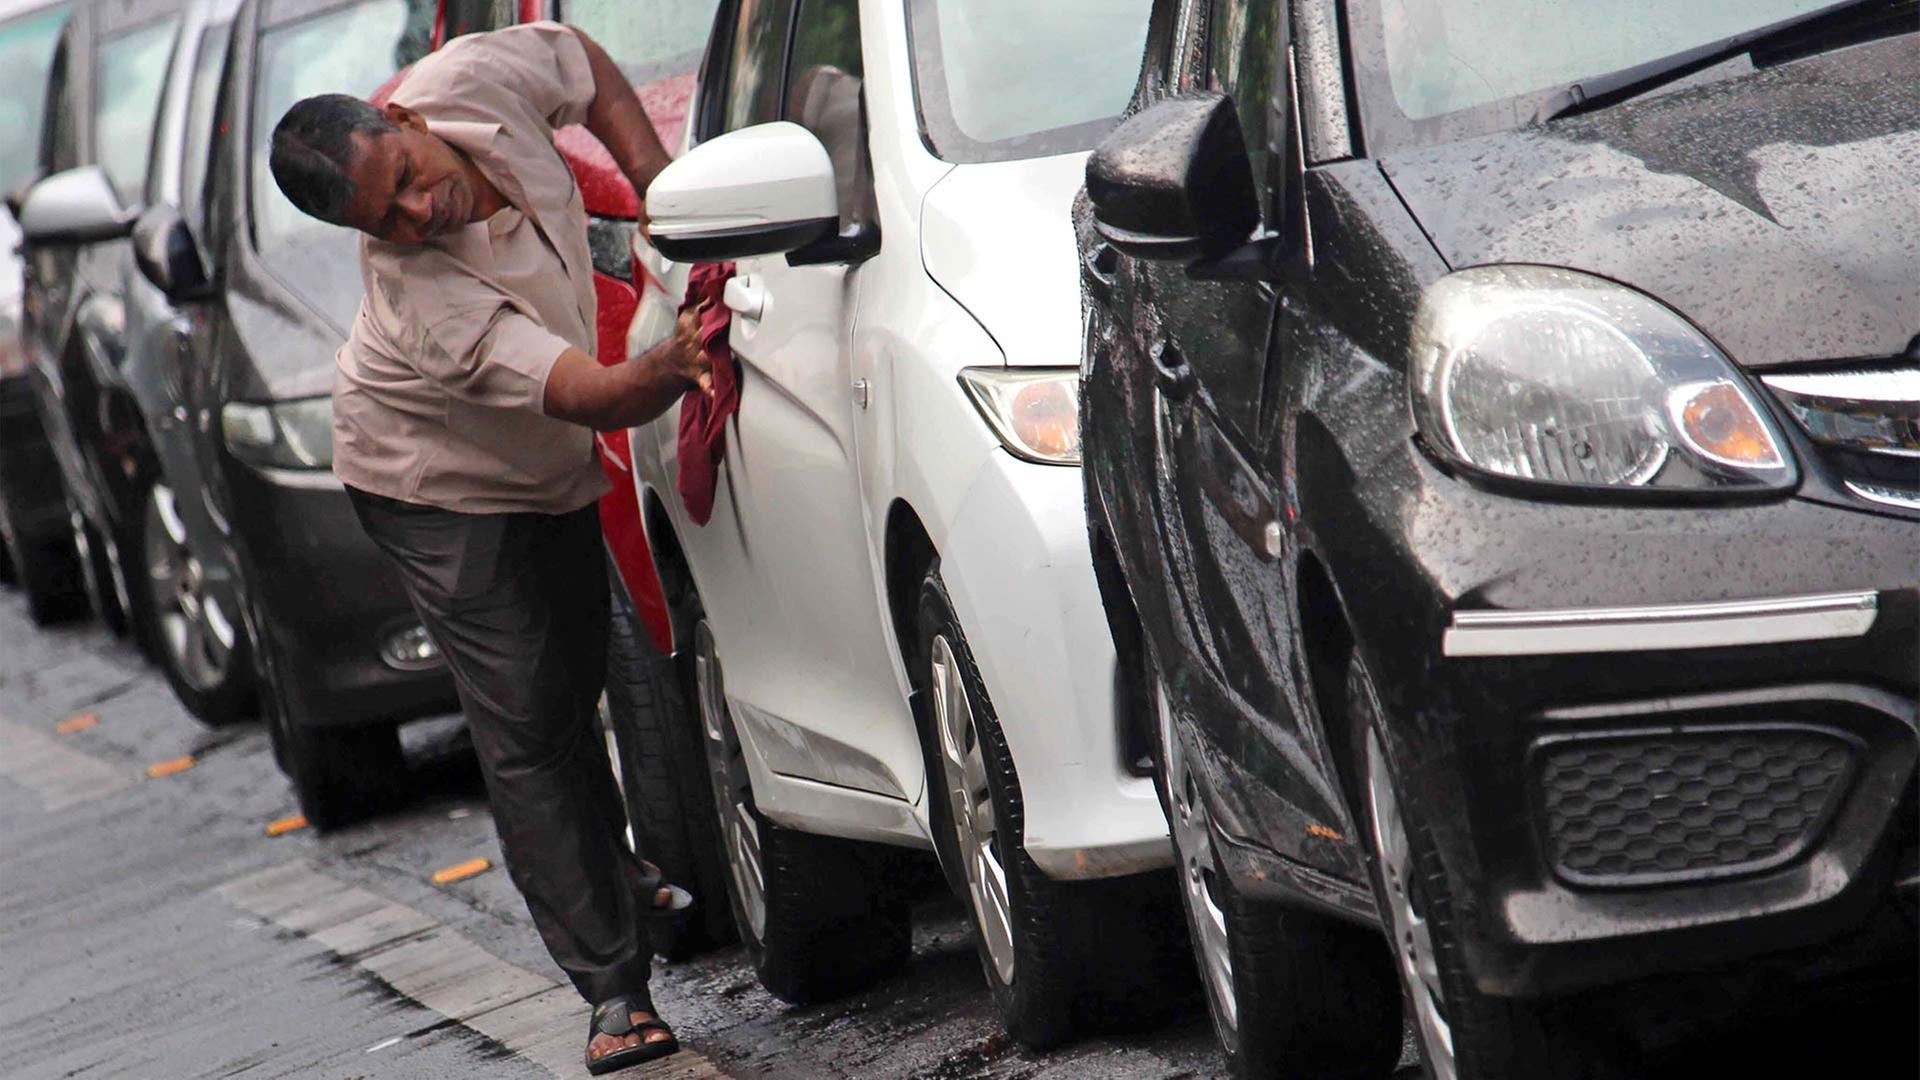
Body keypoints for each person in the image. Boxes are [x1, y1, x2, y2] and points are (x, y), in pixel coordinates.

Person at [267, 21, 708, 1075]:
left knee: (571, 683)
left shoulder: (470, 77)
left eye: (406, 180)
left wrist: (658, 185)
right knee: (525, 723)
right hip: (434, 486)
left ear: (407, 119)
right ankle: (613, 990)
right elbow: (592, 393)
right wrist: (671, 362)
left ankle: (608, 868)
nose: (419, 215)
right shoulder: (423, 298)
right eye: (387, 220)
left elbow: (583, 64)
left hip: (541, 464)